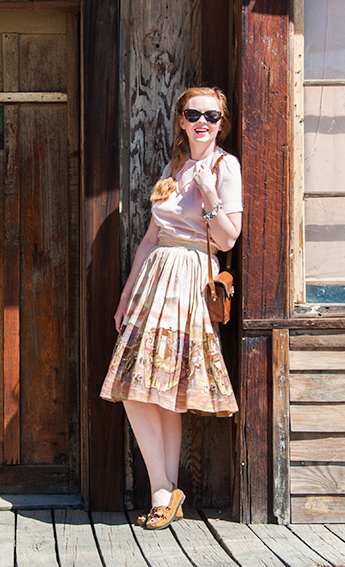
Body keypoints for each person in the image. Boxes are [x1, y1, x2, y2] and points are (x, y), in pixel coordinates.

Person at [99, 86, 242, 530]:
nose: (202, 122)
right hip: (154, 280)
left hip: (190, 280)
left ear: (221, 123)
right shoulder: (172, 166)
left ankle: (164, 493)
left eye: (211, 116)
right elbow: (149, 238)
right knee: (140, 388)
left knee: (166, 390)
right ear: (181, 120)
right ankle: (165, 490)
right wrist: (126, 295)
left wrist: (209, 194)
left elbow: (228, 240)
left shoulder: (225, 166)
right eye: (193, 114)